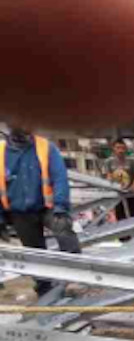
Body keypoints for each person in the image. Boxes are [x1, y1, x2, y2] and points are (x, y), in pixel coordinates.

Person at [0, 124, 81, 296]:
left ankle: (75, 275)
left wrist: (60, 206)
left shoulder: (45, 147)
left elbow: (59, 178)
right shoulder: (1, 152)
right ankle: (43, 285)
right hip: (20, 211)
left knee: (62, 227)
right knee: (34, 250)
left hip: (47, 206)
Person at [104, 138, 134, 221]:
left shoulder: (132, 161)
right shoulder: (109, 162)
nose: (120, 150)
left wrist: (132, 187)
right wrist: (113, 188)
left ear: (125, 149)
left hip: (132, 194)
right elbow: (109, 176)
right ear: (113, 148)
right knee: (121, 218)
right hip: (119, 195)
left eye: (122, 148)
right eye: (118, 148)